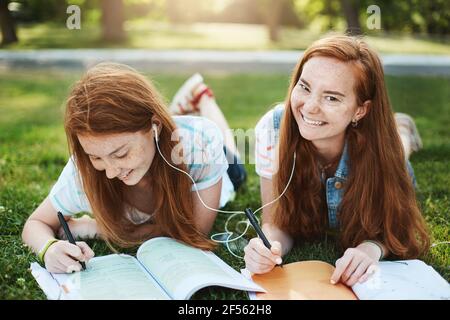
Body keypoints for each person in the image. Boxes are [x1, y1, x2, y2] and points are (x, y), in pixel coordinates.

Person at [22, 63, 246, 274]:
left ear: (154, 126)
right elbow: (35, 223)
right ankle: (179, 110)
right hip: (163, 138)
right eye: (96, 157)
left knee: (235, 162)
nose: (110, 172)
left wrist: (99, 228)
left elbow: (193, 232)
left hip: (220, 169)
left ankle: (202, 98)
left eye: (121, 153)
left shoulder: (200, 145)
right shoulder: (83, 173)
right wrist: (49, 248)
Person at [244, 35, 430, 287]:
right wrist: (269, 246)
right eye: (305, 87)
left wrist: (370, 248)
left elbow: (399, 229)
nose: (310, 107)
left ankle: (402, 128)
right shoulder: (273, 130)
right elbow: (275, 222)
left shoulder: (383, 150)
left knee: (399, 149)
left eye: (331, 97)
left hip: (386, 149)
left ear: (360, 110)